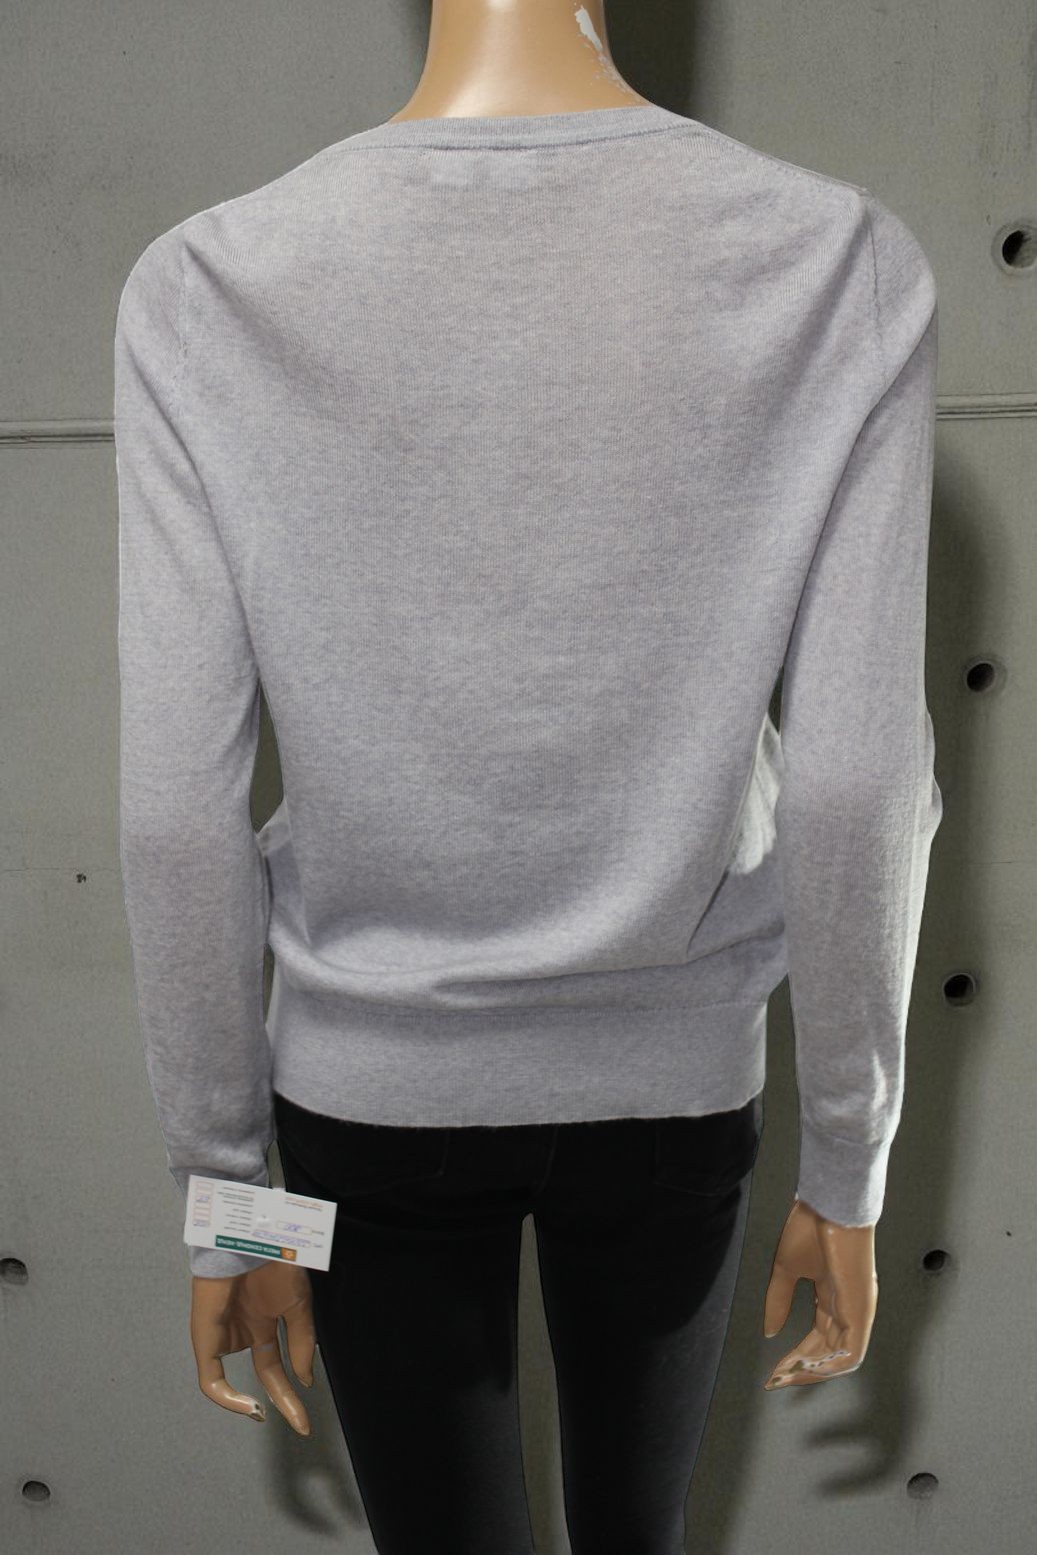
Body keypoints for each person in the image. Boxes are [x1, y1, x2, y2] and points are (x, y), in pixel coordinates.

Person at [114, 2, 942, 1550]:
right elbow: (855, 790)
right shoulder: (834, 262)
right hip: (674, 1085)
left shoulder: (210, 283)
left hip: (362, 1097)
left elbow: (175, 816)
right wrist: (847, 1166)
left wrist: (231, 1207)